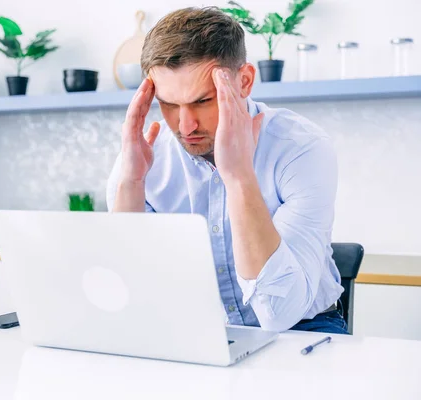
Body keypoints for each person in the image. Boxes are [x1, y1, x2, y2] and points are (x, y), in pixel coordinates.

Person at [106, 7, 347, 334]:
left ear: (244, 80)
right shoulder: (142, 158)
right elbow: (127, 296)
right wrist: (131, 184)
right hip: (198, 332)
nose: (185, 125)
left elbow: (279, 313)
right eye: (169, 104)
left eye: (203, 101)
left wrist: (238, 177)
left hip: (305, 329)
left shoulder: (301, 149)